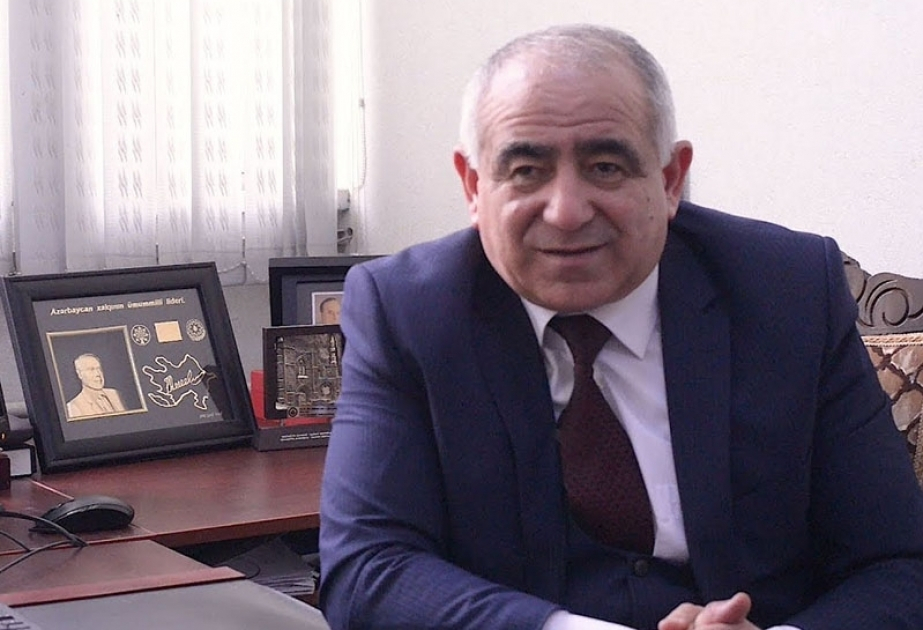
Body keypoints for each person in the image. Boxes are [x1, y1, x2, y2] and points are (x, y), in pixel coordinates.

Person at [318, 23, 923, 630]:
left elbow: (899, 562)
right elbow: (368, 569)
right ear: (474, 187)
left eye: (606, 167)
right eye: (526, 170)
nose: (566, 211)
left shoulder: (788, 292)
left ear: (671, 179)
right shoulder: (408, 313)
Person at [66, 353, 127, 418]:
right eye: (91, 369)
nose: (97, 374)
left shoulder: (114, 394)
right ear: (80, 374)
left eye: (99, 369)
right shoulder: (74, 406)